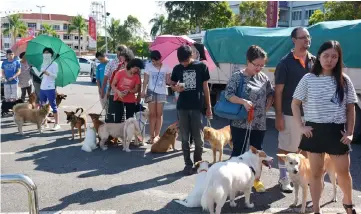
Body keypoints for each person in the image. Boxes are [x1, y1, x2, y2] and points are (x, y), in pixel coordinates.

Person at [292, 41, 358, 214]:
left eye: (334, 56)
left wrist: (350, 132)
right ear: (319, 57)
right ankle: (315, 209)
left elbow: (351, 108)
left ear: (339, 59)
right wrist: (301, 127)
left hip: (337, 131)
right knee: (316, 173)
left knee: (343, 172)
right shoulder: (308, 79)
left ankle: (348, 204)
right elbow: (295, 103)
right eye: (326, 56)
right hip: (314, 131)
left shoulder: (344, 80)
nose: (330, 60)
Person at [224, 45, 274, 192]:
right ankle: (234, 180)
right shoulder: (237, 76)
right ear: (248, 61)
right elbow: (228, 94)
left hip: (259, 122)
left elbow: (271, 93)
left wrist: (266, 107)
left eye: (262, 65)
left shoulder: (263, 77)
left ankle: (256, 180)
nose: (259, 68)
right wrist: (243, 102)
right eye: (256, 65)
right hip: (240, 121)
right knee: (238, 151)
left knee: (258, 152)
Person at [274, 27, 315, 193]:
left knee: (306, 148)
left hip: (311, 114)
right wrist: (278, 116)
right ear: (294, 40)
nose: (307, 40)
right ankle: (284, 178)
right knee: (286, 148)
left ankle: (303, 176)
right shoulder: (285, 63)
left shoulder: (315, 61)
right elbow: (278, 92)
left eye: (308, 37)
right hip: (289, 113)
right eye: (303, 37)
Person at [171, 45, 212, 175]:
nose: (183, 64)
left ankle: (197, 162)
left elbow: (206, 88)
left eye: (186, 61)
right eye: (181, 62)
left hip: (196, 107)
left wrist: (209, 107)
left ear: (191, 56)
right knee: (184, 138)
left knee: (198, 139)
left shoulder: (201, 67)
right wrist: (175, 88)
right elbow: (172, 84)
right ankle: (187, 164)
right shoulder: (177, 68)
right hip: (182, 107)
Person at [141, 50, 171, 144]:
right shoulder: (148, 66)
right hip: (150, 92)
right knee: (152, 114)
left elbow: (168, 81)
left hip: (162, 92)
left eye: (156, 61)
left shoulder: (166, 67)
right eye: (153, 61)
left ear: (160, 58)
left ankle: (157, 136)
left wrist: (174, 83)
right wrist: (143, 90)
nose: (154, 63)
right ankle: (151, 136)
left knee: (159, 114)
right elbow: (145, 80)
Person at [35, 47, 60, 130]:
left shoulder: (55, 64)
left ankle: (57, 124)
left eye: (47, 53)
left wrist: (48, 73)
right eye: (44, 53)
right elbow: (41, 76)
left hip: (50, 88)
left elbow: (55, 76)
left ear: (51, 55)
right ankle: (45, 123)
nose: (45, 54)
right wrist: (35, 70)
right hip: (43, 88)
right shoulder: (43, 64)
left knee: (53, 105)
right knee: (42, 105)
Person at [102, 45, 128, 123]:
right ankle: (114, 133)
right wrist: (104, 91)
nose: (122, 55)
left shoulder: (128, 63)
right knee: (114, 115)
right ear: (117, 52)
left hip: (127, 93)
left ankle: (122, 133)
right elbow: (106, 78)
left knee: (125, 116)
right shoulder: (111, 63)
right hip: (114, 93)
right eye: (121, 53)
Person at [109, 48, 135, 123]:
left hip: (130, 96)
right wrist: (116, 92)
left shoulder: (135, 67)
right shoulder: (119, 66)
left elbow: (137, 83)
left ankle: (128, 134)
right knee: (118, 117)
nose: (119, 57)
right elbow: (113, 82)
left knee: (129, 119)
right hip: (118, 96)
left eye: (121, 56)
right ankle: (118, 134)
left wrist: (136, 93)